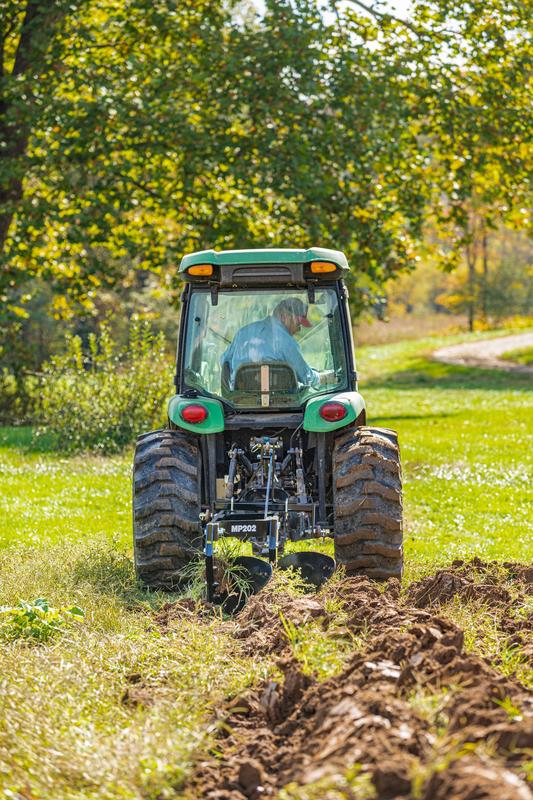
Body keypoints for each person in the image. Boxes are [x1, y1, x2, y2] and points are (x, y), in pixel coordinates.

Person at [221, 298, 320, 390]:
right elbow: (308, 378)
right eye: (298, 324)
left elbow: (224, 361)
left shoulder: (243, 333)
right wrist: (327, 377)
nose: (298, 330)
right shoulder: (287, 341)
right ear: (284, 316)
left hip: (240, 402)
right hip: (283, 403)